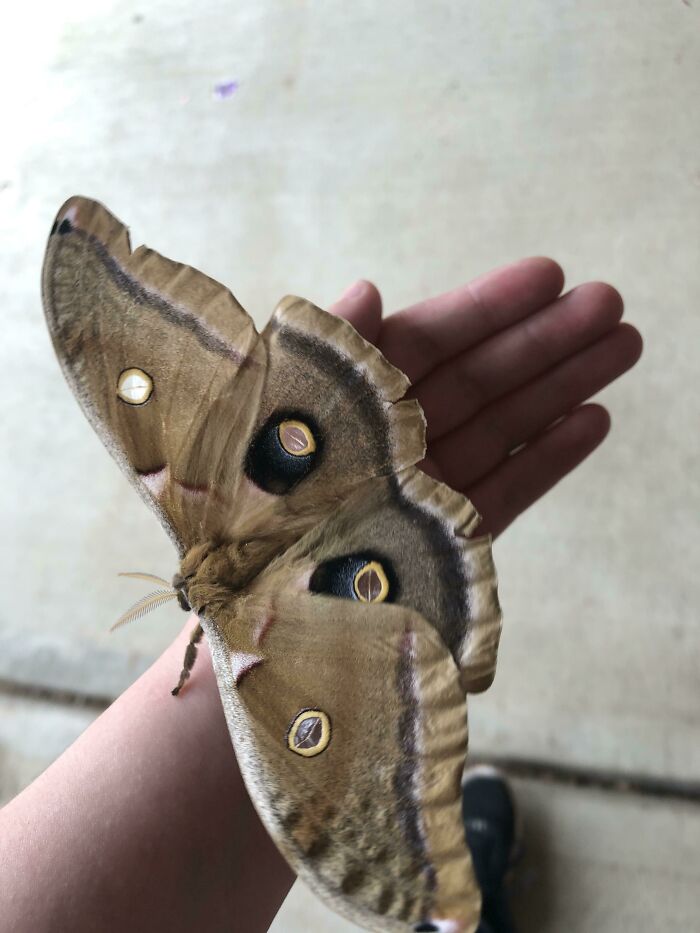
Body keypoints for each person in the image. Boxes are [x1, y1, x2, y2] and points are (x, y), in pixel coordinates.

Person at [0, 258, 642, 932]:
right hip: (350, 498)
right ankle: (453, 900)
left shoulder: (229, 623)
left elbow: (136, 371)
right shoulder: (230, 621)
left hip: (347, 472)